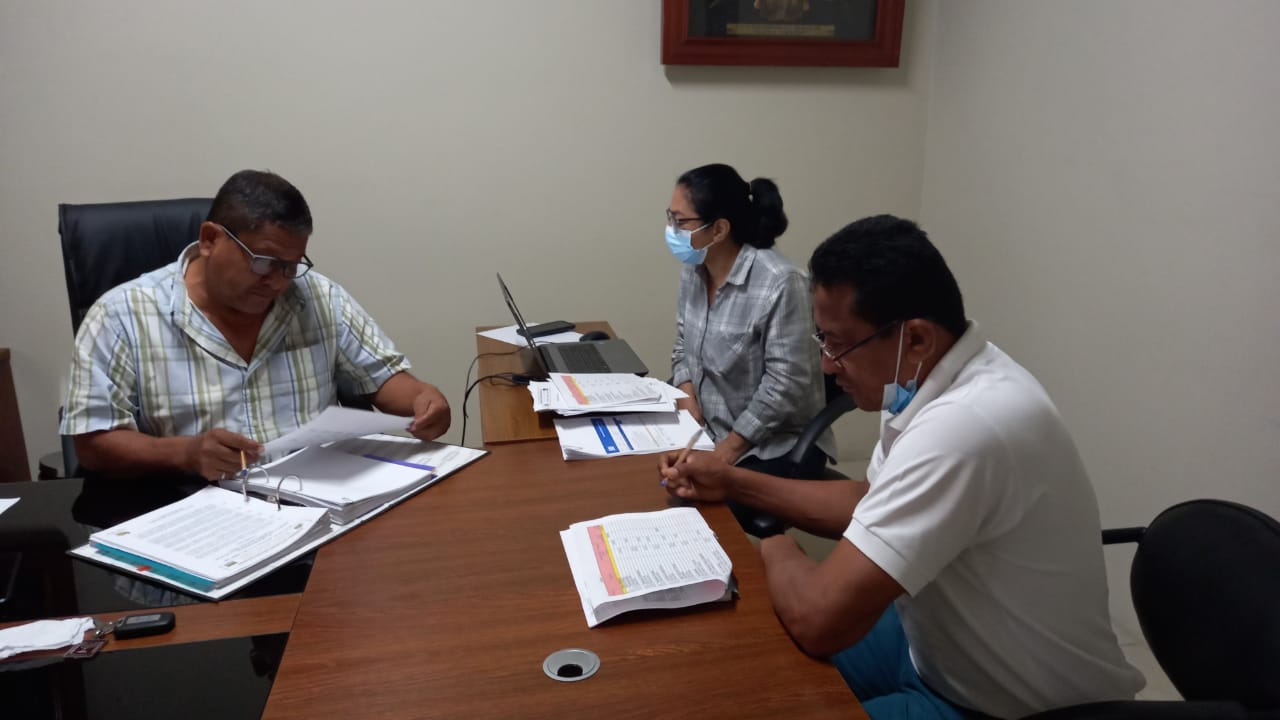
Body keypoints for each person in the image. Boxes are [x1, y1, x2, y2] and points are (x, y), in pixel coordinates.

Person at [660, 215, 1143, 719]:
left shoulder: (965, 426)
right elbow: (873, 499)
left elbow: (818, 620)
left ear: (915, 338)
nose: (826, 364)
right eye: (822, 339)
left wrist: (775, 544)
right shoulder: (929, 376)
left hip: (1007, 704)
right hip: (933, 643)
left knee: (771, 653)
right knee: (751, 670)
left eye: (837, 343)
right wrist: (732, 481)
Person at [61, 169, 450, 481]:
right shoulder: (120, 315)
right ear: (210, 239)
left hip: (317, 501)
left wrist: (423, 399)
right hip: (191, 506)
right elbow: (93, 443)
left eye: (291, 266)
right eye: (264, 262)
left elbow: (384, 379)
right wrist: (186, 453)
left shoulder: (318, 297)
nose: (279, 282)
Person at [666, 164, 833, 512]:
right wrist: (687, 397)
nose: (672, 230)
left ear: (719, 229)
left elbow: (787, 384)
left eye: (681, 222)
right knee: (652, 478)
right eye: (670, 218)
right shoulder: (693, 273)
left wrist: (727, 450)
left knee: (689, 505)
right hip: (709, 431)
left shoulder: (781, 282)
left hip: (772, 445)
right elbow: (682, 344)